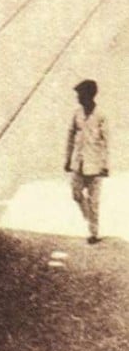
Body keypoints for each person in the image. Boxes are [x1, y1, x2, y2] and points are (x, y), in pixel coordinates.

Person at [65, 79, 109, 244]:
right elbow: (70, 136)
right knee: (76, 194)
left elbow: (106, 142)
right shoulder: (77, 114)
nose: (78, 98)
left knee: (94, 201)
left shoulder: (101, 115)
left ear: (89, 96)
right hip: (79, 162)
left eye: (80, 94)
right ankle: (89, 218)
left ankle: (93, 233)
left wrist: (105, 165)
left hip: (95, 164)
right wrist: (67, 158)